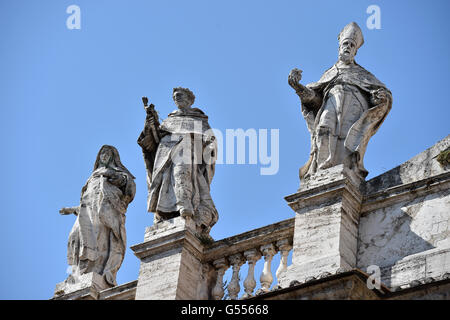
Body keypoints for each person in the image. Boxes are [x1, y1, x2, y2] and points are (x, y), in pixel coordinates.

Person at [288, 22, 392, 181]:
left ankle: (345, 172)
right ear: (339, 47)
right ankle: (322, 171)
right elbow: (315, 101)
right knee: (324, 128)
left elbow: (380, 94)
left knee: (347, 140)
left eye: (352, 45)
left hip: (354, 108)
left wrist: (379, 98)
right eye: (345, 43)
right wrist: (298, 87)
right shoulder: (330, 73)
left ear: (355, 51)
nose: (348, 47)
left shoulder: (363, 74)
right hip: (331, 104)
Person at [138, 87, 218, 238]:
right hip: (165, 152)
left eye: (180, 95)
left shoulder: (198, 119)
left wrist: (208, 145)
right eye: (175, 97)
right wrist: (151, 123)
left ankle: (184, 205)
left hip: (186, 149)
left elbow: (210, 140)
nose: (177, 98)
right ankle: (165, 213)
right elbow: (153, 140)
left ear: (189, 99)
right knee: (165, 181)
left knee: (182, 173)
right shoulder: (169, 120)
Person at [60, 145, 135, 287]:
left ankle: (95, 272)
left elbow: (129, 188)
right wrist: (71, 209)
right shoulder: (92, 177)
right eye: (102, 153)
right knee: (74, 238)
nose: (104, 155)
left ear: (114, 157)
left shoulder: (118, 173)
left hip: (104, 211)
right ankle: (76, 274)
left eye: (107, 153)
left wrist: (112, 175)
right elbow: (86, 199)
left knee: (98, 239)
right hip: (86, 211)